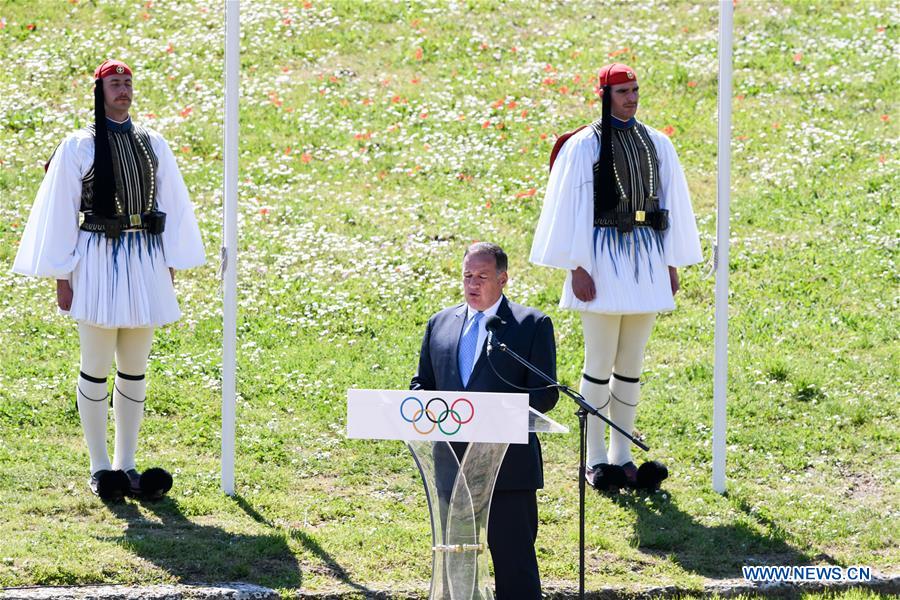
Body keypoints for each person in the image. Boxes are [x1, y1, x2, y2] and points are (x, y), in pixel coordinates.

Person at [12, 59, 205, 500]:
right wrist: (62, 275)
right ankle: (100, 467)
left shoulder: (152, 142)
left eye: (128, 83)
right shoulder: (78, 146)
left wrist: (170, 262)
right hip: (97, 257)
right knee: (96, 365)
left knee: (135, 366)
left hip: (144, 258)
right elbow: (61, 212)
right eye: (115, 83)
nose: (123, 90)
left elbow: (172, 201)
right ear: (100, 91)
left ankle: (127, 464)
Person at [531, 63, 702, 493]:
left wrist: (671, 263)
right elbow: (568, 208)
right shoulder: (582, 146)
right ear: (605, 95)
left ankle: (622, 456)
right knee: (598, 363)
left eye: (635, 90)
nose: (632, 97)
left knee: (631, 366)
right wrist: (576, 266)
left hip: (645, 261)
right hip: (601, 261)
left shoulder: (658, 143)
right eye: (623, 91)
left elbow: (672, 205)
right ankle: (593, 460)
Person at [410, 242, 558, 600]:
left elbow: (545, 393)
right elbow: (422, 385)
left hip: (507, 469)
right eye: (467, 276)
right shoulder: (440, 323)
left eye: (482, 276)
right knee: (455, 565)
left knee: (514, 565)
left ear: (503, 279)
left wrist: (498, 415)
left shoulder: (530, 325)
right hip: (450, 469)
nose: (472, 284)